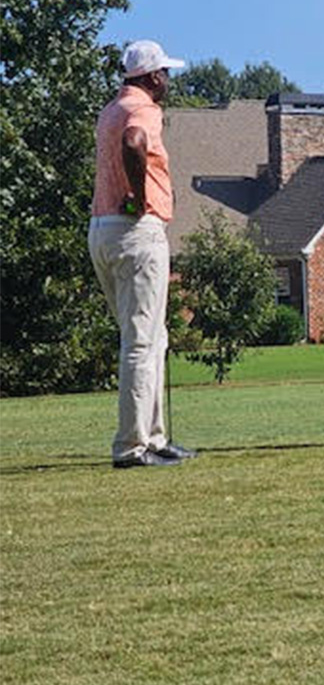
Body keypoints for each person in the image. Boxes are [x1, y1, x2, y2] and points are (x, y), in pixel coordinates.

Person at [89, 40, 197, 467]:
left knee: (153, 338)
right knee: (140, 342)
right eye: (165, 73)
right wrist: (137, 195)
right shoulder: (144, 111)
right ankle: (132, 446)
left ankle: (153, 437)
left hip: (102, 229)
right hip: (136, 228)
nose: (167, 80)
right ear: (152, 76)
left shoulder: (110, 109)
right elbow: (135, 142)